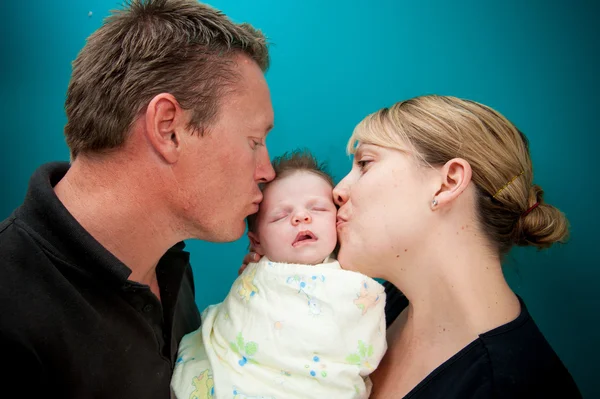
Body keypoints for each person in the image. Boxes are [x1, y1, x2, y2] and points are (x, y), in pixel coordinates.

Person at [0, 1, 275, 398]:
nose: (267, 171)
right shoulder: (10, 312)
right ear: (169, 128)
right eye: (254, 141)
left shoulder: (168, 266)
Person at [332, 95, 581, 398]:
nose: (338, 190)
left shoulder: (514, 387)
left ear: (448, 182)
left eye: (365, 163)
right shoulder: (377, 309)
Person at [171, 150, 387, 399]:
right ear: (257, 243)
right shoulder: (257, 275)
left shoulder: (352, 281)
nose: (301, 217)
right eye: (281, 216)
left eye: (317, 208)